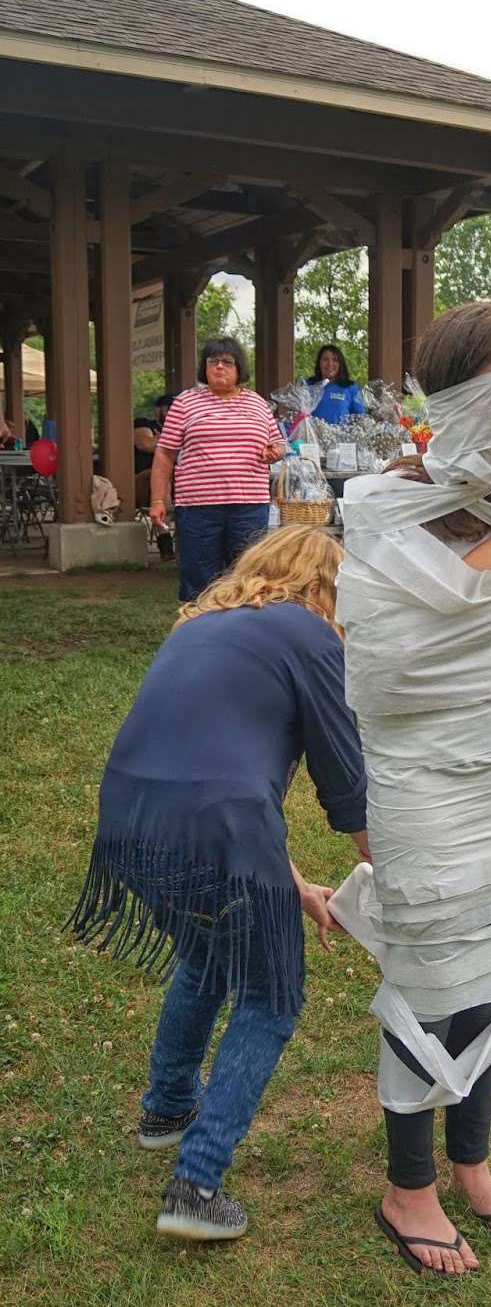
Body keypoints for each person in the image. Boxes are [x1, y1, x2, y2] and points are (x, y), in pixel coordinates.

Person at [330, 300, 491, 1275]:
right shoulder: (386, 505)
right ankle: (409, 1187)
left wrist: (480, 593)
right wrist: (473, 575)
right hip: (422, 780)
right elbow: (381, 677)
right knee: (428, 974)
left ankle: (471, 1167)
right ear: (449, 400)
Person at [67, 528, 369, 1241]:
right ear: (325, 587)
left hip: (130, 821)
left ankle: (169, 1107)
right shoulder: (311, 636)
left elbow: (215, 762)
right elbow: (347, 787)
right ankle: (196, 1186)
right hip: (215, 827)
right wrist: (394, 881)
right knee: (269, 997)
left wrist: (290, 884)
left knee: (206, 956)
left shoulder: (198, 628)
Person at [149, 336, 284, 602]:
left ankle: (241, 633)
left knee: (247, 575)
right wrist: (157, 499)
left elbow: (277, 443)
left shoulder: (257, 403)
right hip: (198, 507)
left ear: (239, 369)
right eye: (213, 361)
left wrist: (276, 451)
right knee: (199, 578)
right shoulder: (185, 402)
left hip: (249, 506)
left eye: (227, 362)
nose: (219, 367)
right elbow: (165, 453)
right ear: (204, 367)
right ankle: (198, 631)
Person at [307, 344, 366, 425]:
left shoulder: (351, 387)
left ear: (340, 364)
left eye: (335, 360)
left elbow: (361, 418)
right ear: (319, 363)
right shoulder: (308, 385)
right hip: (311, 436)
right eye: (325, 359)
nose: (330, 364)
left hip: (341, 436)